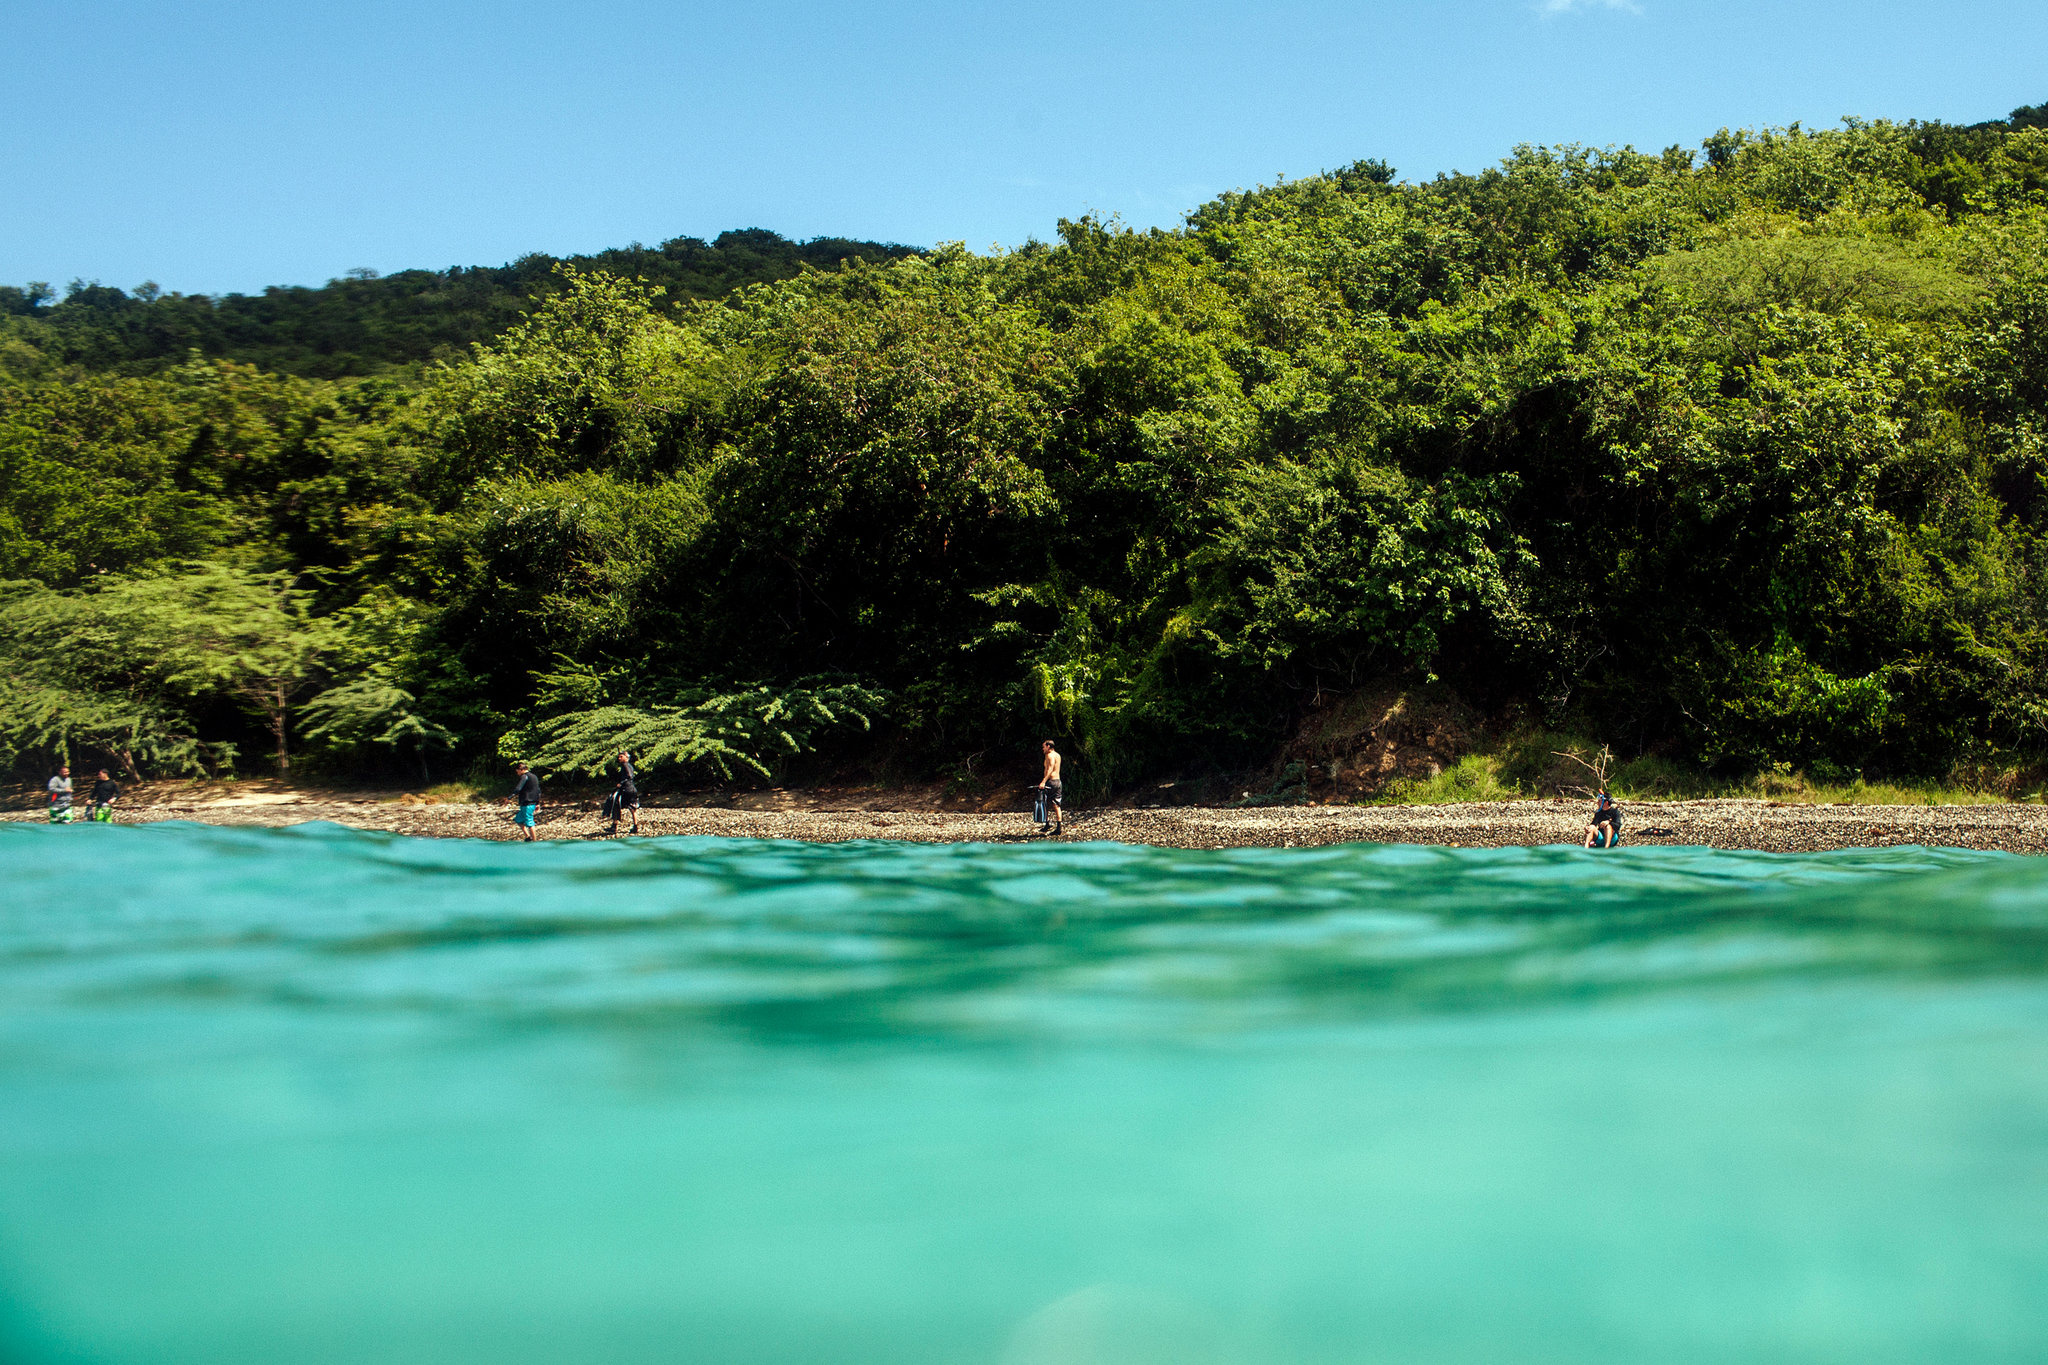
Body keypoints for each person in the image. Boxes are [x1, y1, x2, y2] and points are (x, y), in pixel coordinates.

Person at [504, 762, 542, 842]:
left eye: (517, 771)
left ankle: (534, 841)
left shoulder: (524, 776)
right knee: (518, 819)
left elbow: (518, 788)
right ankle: (528, 837)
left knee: (529, 822)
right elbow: (538, 791)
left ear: (521, 769)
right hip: (531, 803)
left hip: (527, 803)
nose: (517, 773)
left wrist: (509, 797)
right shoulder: (534, 776)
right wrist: (538, 803)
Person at [608, 750, 641, 836]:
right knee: (633, 808)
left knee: (615, 804)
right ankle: (635, 826)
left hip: (627, 790)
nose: (619, 758)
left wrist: (621, 783)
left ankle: (614, 826)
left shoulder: (625, 765)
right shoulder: (629, 766)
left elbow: (629, 776)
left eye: (621, 757)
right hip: (632, 789)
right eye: (619, 757)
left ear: (626, 757)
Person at [1036, 740, 1063, 837]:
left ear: (1048, 746)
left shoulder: (1049, 755)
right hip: (1058, 781)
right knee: (1056, 804)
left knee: (1044, 802)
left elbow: (1050, 768)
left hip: (1051, 782)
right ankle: (1059, 827)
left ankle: (1048, 824)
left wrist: (1043, 781)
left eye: (1043, 747)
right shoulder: (1058, 755)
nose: (1042, 749)